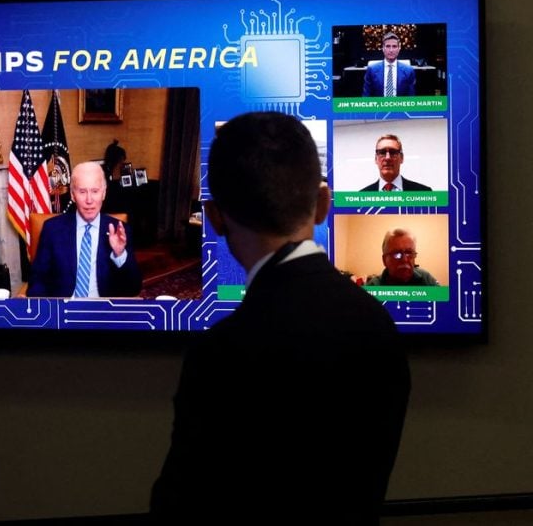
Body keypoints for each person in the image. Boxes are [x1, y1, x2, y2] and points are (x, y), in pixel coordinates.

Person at [150, 112, 410, 523]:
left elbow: (179, 508)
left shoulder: (220, 353)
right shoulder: (379, 325)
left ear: (215, 217)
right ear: (323, 202)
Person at [27, 161, 142, 298]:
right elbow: (38, 281)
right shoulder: (52, 229)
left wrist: (120, 254)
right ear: (72, 195)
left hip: (103, 311)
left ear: (104, 194)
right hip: (64, 310)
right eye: (82, 191)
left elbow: (134, 289)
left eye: (95, 191)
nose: (89, 200)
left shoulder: (120, 231)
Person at [365, 228, 439, 286]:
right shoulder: (372, 288)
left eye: (409, 253)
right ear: (384, 260)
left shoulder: (426, 279)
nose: (404, 259)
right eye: (396, 254)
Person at [360, 134, 432, 191]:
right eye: (382, 152)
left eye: (393, 152)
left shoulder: (423, 192)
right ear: (376, 159)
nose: (387, 158)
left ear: (401, 158)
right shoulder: (361, 197)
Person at [362, 32, 416, 97]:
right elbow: (366, 97)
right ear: (383, 49)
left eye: (394, 46)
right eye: (388, 46)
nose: (391, 50)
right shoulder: (372, 70)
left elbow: (411, 98)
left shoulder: (409, 71)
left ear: (399, 49)